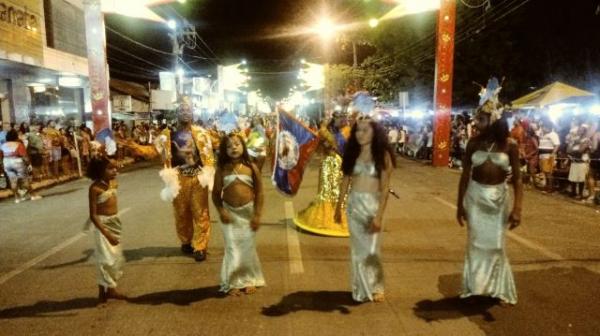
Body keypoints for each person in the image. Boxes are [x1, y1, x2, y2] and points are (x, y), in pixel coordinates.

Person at [456, 101, 523, 306]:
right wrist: (459, 205)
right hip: (475, 196)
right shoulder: (473, 143)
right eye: (477, 119)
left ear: (493, 121)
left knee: (495, 245)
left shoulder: (510, 145)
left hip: (499, 198)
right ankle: (475, 288)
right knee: (476, 244)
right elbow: (465, 175)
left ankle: (496, 288)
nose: (475, 123)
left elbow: (518, 179)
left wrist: (518, 208)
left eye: (481, 119)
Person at [335, 115, 395, 303]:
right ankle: (360, 287)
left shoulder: (383, 155)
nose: (360, 134)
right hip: (354, 206)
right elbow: (345, 181)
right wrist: (338, 206)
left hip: (372, 205)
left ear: (374, 132)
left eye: (365, 130)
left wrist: (379, 216)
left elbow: (385, 188)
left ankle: (376, 287)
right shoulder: (352, 154)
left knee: (372, 249)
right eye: (357, 130)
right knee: (357, 250)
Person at [155, 102, 215, 262]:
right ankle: (186, 241)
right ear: (176, 113)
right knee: (181, 213)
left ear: (193, 113)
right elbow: (154, 151)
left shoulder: (202, 133)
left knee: (200, 212)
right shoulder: (166, 135)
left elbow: (210, 152)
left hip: (197, 178)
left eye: (188, 110)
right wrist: (135, 147)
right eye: (182, 110)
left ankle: (200, 246)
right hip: (178, 179)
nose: (185, 112)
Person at [212, 133, 265, 296]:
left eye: (236, 144)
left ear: (243, 146)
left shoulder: (252, 168)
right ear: (224, 150)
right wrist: (221, 211)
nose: (233, 148)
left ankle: (249, 279)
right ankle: (233, 282)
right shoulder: (221, 169)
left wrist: (257, 215)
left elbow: (260, 192)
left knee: (247, 248)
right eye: (229, 146)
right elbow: (215, 194)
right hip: (229, 214)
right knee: (232, 248)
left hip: (247, 213)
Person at [294, 118, 349, 237]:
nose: (343, 121)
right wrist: (326, 143)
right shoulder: (325, 132)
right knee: (327, 191)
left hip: (339, 164)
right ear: (334, 121)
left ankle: (339, 213)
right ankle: (326, 218)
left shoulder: (345, 132)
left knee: (338, 191)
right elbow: (318, 147)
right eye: (340, 119)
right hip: (329, 164)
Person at [87, 155, 126, 303]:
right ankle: (101, 292)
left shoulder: (113, 183)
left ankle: (111, 290)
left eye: (116, 168)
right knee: (105, 259)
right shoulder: (95, 188)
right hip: (102, 226)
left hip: (115, 223)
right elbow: (93, 215)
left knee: (115, 258)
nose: (114, 171)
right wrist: (107, 234)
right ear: (99, 171)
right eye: (110, 168)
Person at [0, 129, 42, 203]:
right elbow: (25, 156)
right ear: (15, 136)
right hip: (17, 162)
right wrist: (29, 164)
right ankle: (33, 195)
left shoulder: (3, 145)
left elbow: (1, 156)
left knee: (12, 181)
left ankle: (17, 198)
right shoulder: (18, 144)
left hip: (6, 162)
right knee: (24, 179)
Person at [538, 120, 560, 192]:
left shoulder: (553, 134)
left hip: (548, 155)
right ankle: (546, 185)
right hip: (542, 155)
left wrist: (552, 154)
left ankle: (550, 187)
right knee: (544, 171)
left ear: (548, 127)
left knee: (548, 172)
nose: (542, 128)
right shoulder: (542, 134)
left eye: (543, 127)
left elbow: (557, 145)